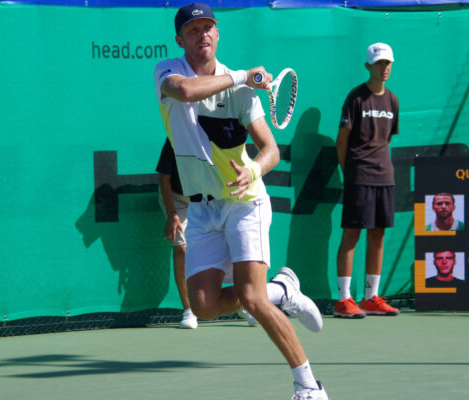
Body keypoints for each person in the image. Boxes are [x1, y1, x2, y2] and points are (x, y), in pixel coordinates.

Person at [153, 3, 327, 399]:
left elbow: (270, 149)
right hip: (200, 209)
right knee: (203, 305)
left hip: (245, 201)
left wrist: (255, 169)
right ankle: (282, 292)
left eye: (209, 28)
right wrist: (242, 76)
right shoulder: (167, 71)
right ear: (180, 39)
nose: (204, 36)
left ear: (217, 34)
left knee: (250, 296)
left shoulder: (244, 93)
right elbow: (185, 91)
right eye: (194, 30)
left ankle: (308, 386)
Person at [334, 42, 401, 319]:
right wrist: (348, 172)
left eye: (387, 63)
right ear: (368, 66)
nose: (384, 68)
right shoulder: (356, 98)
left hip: (385, 176)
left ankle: (371, 297)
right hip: (358, 175)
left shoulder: (393, 101)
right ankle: (343, 300)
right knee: (352, 234)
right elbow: (342, 142)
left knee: (378, 234)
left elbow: (386, 140)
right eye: (379, 63)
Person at [156, 138, 196, 329]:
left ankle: (238, 302)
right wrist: (172, 215)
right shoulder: (175, 136)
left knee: (227, 245)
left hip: (206, 197)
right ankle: (188, 310)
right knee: (182, 249)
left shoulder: (216, 130)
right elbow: (164, 178)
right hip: (176, 197)